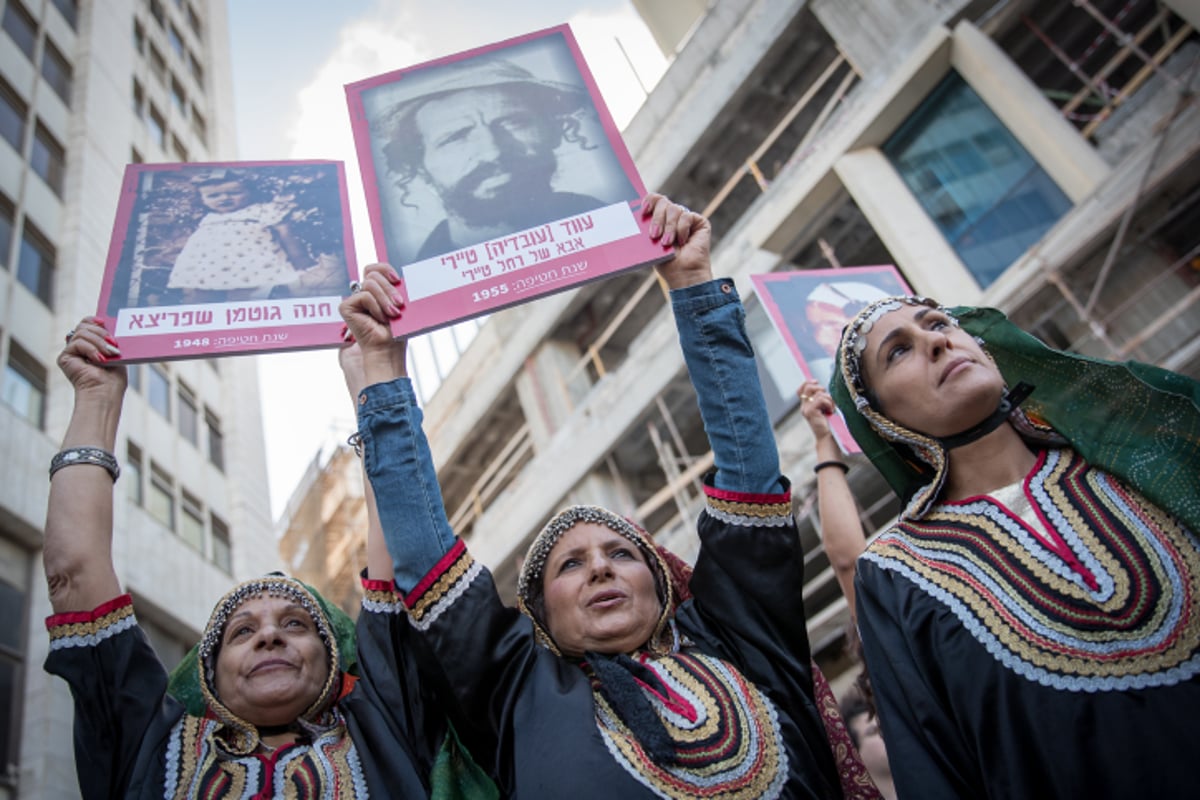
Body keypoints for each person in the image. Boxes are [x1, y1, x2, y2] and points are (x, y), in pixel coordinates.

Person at [339, 195, 871, 798]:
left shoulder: (741, 634)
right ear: (538, 616)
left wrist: (694, 285)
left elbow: (748, 469)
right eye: (570, 564)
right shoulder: (515, 685)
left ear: (664, 583)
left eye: (620, 554)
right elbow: (424, 553)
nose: (598, 567)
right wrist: (382, 369)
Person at [42, 318, 493, 798]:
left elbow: (397, 557)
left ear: (334, 661)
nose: (270, 636)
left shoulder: (384, 720)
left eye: (296, 624)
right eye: (241, 632)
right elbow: (74, 575)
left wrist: (370, 376)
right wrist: (95, 399)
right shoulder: (152, 743)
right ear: (208, 675)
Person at [828, 295, 1200, 798]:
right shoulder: (895, 575)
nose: (938, 341)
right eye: (898, 352)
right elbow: (935, 770)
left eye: (939, 324)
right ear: (880, 419)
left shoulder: (1145, 466)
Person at [374, 58, 632, 260]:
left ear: (552, 130)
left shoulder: (617, 226)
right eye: (455, 137)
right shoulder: (421, 284)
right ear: (420, 169)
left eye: (513, 122)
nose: (492, 151)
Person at [166, 171, 346, 303]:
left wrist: (299, 258)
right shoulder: (208, 217)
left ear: (251, 191)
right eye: (213, 195)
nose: (224, 198)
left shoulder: (262, 210)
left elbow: (285, 232)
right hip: (210, 268)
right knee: (202, 297)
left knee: (246, 299)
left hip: (252, 267)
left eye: (234, 193)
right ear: (202, 199)